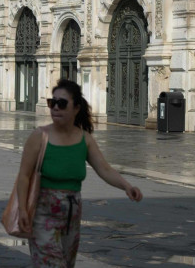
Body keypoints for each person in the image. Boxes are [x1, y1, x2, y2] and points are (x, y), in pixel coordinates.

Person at [14, 79, 142, 267]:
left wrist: (127, 186)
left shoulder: (85, 139)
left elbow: (104, 169)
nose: (55, 107)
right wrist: (23, 210)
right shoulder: (39, 137)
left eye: (62, 103)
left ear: (76, 108)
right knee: (51, 264)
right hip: (43, 214)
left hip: (71, 215)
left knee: (66, 263)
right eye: (52, 102)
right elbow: (24, 176)